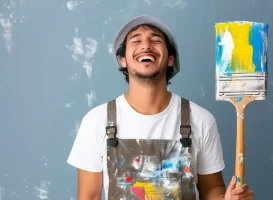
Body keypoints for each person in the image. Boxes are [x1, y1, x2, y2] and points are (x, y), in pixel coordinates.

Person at [67, 15, 254, 200]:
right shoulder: (97, 121)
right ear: (123, 60)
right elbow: (89, 196)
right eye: (136, 40)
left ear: (171, 58)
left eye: (155, 40)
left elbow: (211, 188)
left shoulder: (201, 119)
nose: (146, 45)